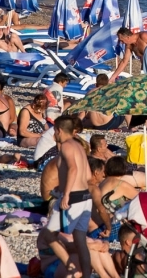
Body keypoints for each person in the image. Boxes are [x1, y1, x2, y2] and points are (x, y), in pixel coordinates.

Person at [50, 116, 92, 278]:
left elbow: (73, 169)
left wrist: (66, 193)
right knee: (80, 240)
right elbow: (87, 175)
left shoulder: (66, 146)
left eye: (55, 131)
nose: (55, 134)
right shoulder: (79, 146)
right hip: (85, 197)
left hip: (73, 197)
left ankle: (72, 270)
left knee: (49, 234)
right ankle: (86, 275)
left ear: (59, 130)